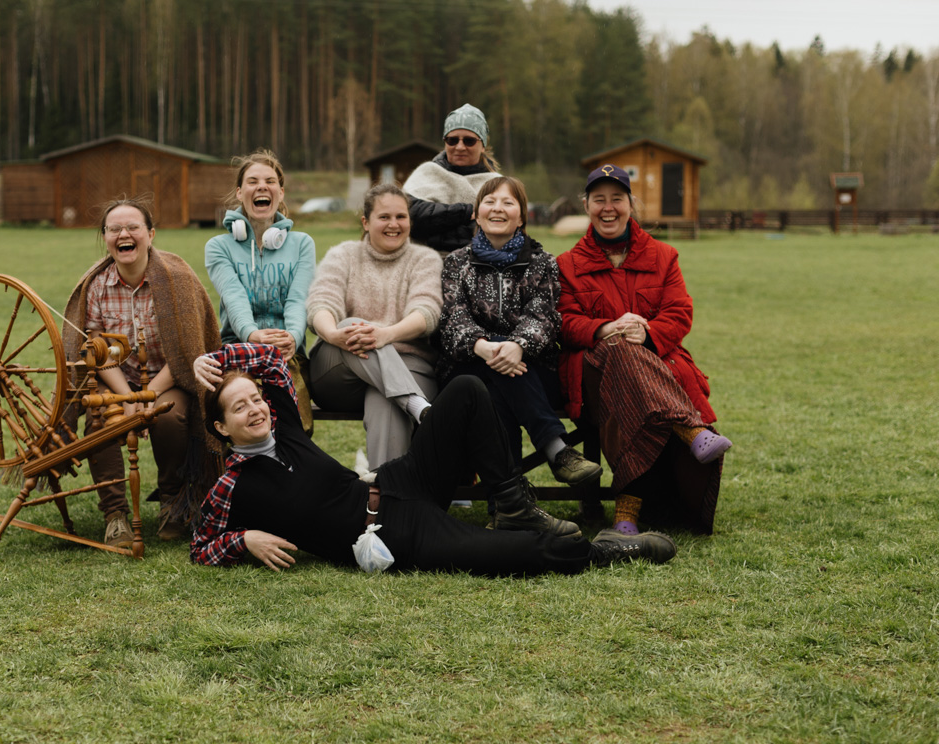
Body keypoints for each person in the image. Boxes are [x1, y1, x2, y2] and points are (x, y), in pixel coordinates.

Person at [189, 343, 675, 573]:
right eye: (239, 406)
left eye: (255, 399)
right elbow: (201, 543)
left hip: (400, 480)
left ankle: (511, 504)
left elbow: (273, 362)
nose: (255, 408)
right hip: (395, 537)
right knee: (521, 557)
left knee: (465, 389)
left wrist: (217, 362)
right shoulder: (233, 487)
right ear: (220, 427)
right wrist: (244, 538)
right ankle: (609, 550)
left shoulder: (284, 425)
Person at [557, 165, 732, 544]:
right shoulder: (567, 265)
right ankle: (690, 428)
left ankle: (627, 513)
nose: (608, 208)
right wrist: (605, 329)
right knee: (619, 351)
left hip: (651, 365)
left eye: (616, 199)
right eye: (599, 199)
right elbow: (565, 322)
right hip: (592, 372)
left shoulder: (663, 256)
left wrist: (646, 331)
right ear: (586, 205)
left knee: (630, 385)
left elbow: (679, 313)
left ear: (631, 204)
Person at [61, 196, 224, 544]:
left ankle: (172, 502)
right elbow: (95, 351)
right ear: (105, 237)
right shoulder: (96, 286)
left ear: (150, 234)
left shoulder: (176, 280)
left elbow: (187, 353)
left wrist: (150, 397)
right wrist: (127, 396)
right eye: (114, 228)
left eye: (133, 227)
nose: (124, 233)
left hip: (171, 379)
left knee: (170, 416)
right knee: (101, 416)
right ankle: (115, 513)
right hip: (117, 380)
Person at [440, 176, 602, 492]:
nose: (497, 208)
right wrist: (486, 347)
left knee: (497, 390)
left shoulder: (542, 263)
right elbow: (452, 321)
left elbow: (544, 319)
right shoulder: (456, 263)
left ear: (522, 216)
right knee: (492, 383)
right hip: (466, 369)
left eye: (508, 202)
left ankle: (507, 502)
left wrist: (518, 345)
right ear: (475, 213)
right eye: (489, 201)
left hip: (532, 369)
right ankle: (556, 450)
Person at [306, 183, 442, 469]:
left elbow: (427, 311)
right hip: (340, 367)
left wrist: (387, 335)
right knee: (354, 325)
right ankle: (415, 404)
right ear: (366, 222)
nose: (394, 224)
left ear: (410, 221)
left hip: (409, 366)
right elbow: (321, 302)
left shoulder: (425, 259)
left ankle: (383, 498)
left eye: (401, 217)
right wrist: (333, 333)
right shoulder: (343, 254)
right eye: (384, 217)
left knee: (386, 398)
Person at [205, 150, 316, 433]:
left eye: (269, 181)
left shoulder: (302, 243)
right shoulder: (218, 247)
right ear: (240, 193)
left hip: (287, 351)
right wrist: (252, 335)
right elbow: (234, 297)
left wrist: (292, 336)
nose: (261, 187)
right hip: (239, 350)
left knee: (293, 426)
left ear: (280, 191)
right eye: (253, 181)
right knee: (245, 418)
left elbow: (297, 298)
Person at [402, 103, 502, 253]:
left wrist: (435, 226)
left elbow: (499, 231)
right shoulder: (426, 174)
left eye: (469, 141)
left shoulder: (497, 185)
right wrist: (467, 212)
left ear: (483, 145)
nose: (460, 147)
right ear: (445, 142)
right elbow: (409, 216)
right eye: (452, 140)